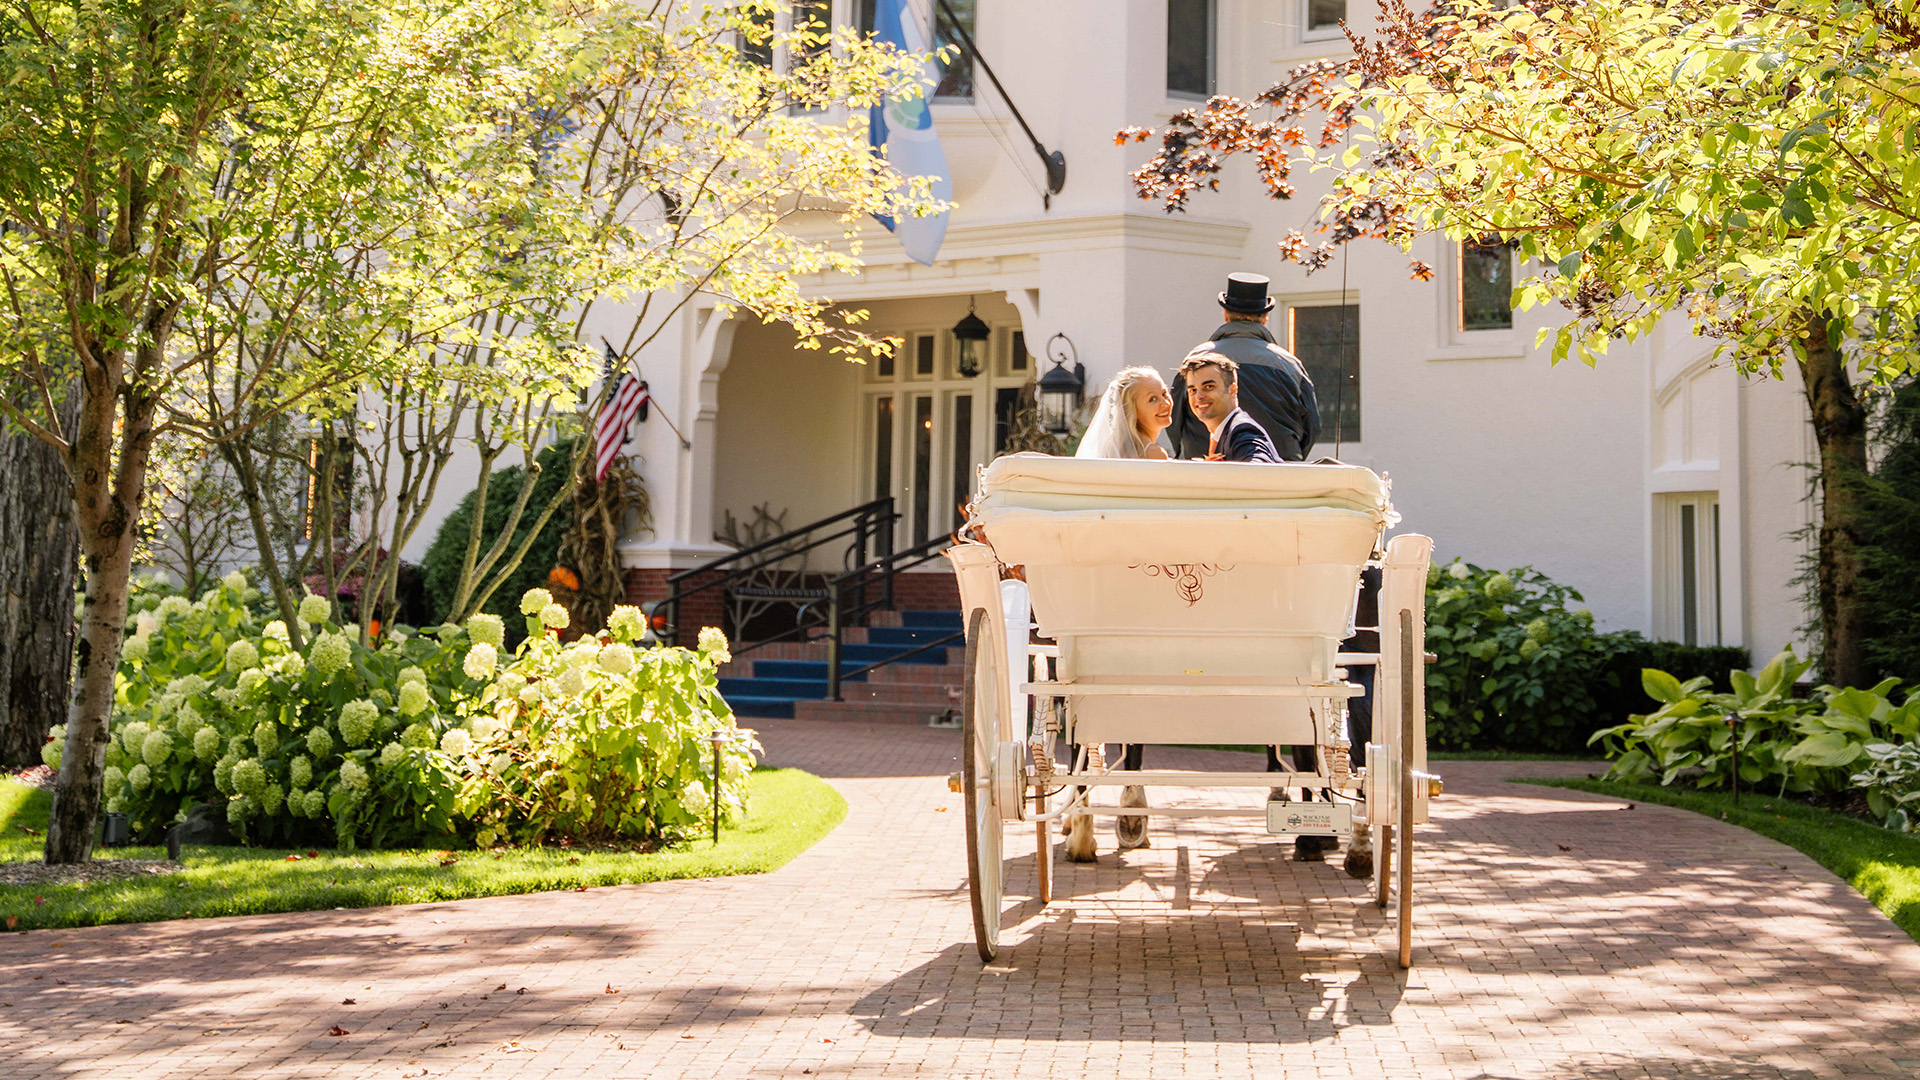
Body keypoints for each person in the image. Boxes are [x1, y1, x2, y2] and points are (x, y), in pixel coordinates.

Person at [1169, 273, 1318, 462]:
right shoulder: (1289, 364)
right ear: (1264, 318)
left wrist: (1185, 454)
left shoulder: (1196, 361)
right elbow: (1312, 425)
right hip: (1282, 473)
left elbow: (1173, 419)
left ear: (1225, 315)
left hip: (1203, 469)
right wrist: (1291, 457)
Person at [1075, 366, 1174, 460]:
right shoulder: (1153, 454)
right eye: (1152, 399)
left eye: (1164, 394)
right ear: (1133, 409)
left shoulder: (1113, 448)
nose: (1166, 403)